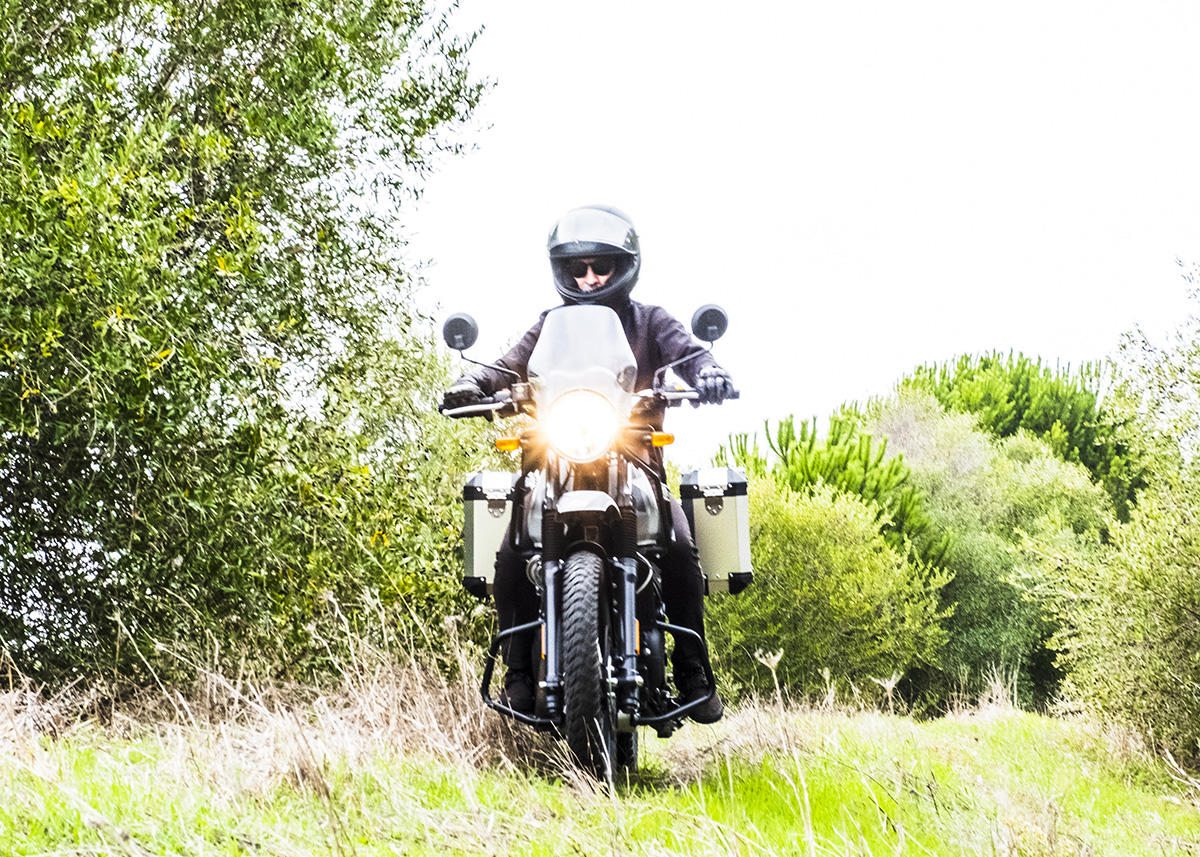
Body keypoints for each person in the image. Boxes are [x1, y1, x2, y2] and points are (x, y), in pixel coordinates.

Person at [441, 205, 736, 723]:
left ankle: (693, 669)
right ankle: (518, 674)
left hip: (635, 463)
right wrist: (474, 383)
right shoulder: (549, 325)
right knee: (511, 551)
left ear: (624, 266)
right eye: (578, 269)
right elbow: (509, 364)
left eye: (601, 266)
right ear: (563, 271)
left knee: (680, 545)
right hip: (555, 464)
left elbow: (690, 355)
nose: (590, 277)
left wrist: (710, 371)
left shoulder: (651, 320)